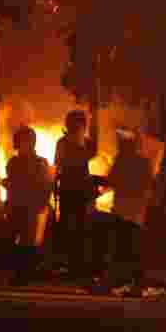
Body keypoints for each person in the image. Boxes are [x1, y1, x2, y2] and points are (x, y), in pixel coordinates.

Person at [3, 126, 53, 286]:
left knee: (27, 241)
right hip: (17, 207)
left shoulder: (39, 163)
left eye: (21, 141)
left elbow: (45, 186)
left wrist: (41, 205)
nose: (18, 145)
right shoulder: (14, 162)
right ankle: (23, 272)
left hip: (30, 208)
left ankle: (24, 274)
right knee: (20, 241)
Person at [107, 129, 155, 287]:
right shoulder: (144, 162)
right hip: (136, 211)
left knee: (121, 244)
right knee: (133, 244)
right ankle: (134, 277)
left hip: (122, 209)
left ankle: (121, 276)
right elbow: (149, 183)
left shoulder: (120, 160)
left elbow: (111, 179)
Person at [54, 110, 98, 280]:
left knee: (81, 228)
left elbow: (91, 160)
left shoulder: (86, 143)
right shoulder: (63, 143)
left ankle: (80, 265)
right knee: (68, 226)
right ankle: (70, 265)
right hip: (68, 190)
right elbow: (58, 164)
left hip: (82, 191)